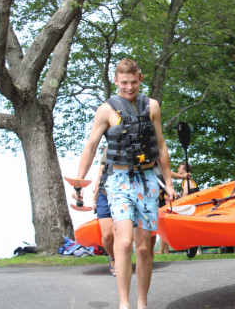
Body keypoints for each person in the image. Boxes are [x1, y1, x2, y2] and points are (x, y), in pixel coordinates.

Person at [73, 58, 176, 309]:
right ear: (116, 81)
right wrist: (79, 181)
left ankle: (142, 302)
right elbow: (91, 147)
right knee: (123, 242)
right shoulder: (106, 110)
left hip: (148, 180)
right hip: (118, 181)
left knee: (143, 249)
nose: (129, 87)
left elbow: (160, 145)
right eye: (123, 83)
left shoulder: (152, 106)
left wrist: (169, 181)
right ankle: (123, 303)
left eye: (133, 82)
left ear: (141, 79)